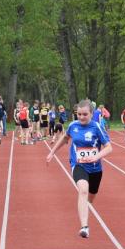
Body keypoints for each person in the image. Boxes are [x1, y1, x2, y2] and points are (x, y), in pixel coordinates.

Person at [46, 99, 112, 238]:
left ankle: (84, 208)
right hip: (78, 164)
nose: (81, 117)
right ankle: (84, 227)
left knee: (90, 198)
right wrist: (52, 152)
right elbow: (65, 139)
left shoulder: (97, 127)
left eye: (85, 114)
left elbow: (109, 147)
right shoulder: (73, 126)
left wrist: (96, 157)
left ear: (91, 114)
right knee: (83, 190)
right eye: (79, 114)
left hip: (95, 168)